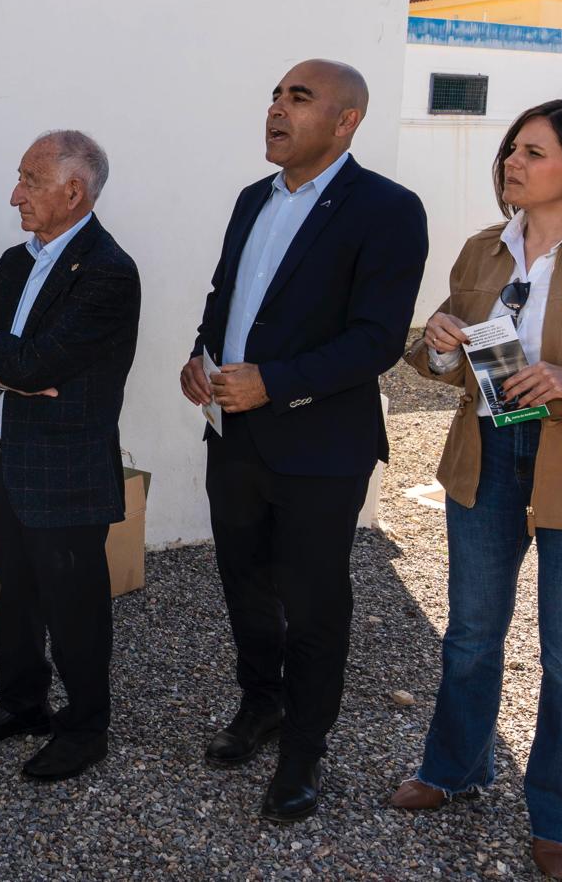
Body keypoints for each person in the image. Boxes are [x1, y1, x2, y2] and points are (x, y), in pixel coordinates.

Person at [390, 98, 562, 880]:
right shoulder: (480, 252)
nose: (513, 163)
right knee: (469, 631)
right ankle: (455, 769)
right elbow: (433, 362)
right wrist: (432, 345)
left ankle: (560, 817)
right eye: (512, 150)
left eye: (534, 152)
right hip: (487, 455)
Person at [179, 59, 427, 821]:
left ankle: (303, 753)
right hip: (237, 437)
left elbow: (377, 340)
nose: (276, 109)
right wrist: (201, 354)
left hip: (321, 446)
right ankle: (262, 707)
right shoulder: (253, 198)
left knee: (315, 603)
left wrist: (275, 381)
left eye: (299, 97)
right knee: (243, 580)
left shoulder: (386, 209)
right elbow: (228, 298)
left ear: (346, 120)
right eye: (275, 96)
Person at [0, 130, 140, 781]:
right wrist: (9, 368)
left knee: (74, 608)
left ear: (73, 191)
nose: (15, 194)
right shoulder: (15, 261)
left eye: (29, 181)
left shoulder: (109, 272)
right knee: (18, 596)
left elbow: (42, 361)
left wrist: (2, 355)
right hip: (7, 457)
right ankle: (22, 705)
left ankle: (86, 728)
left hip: (65, 472)